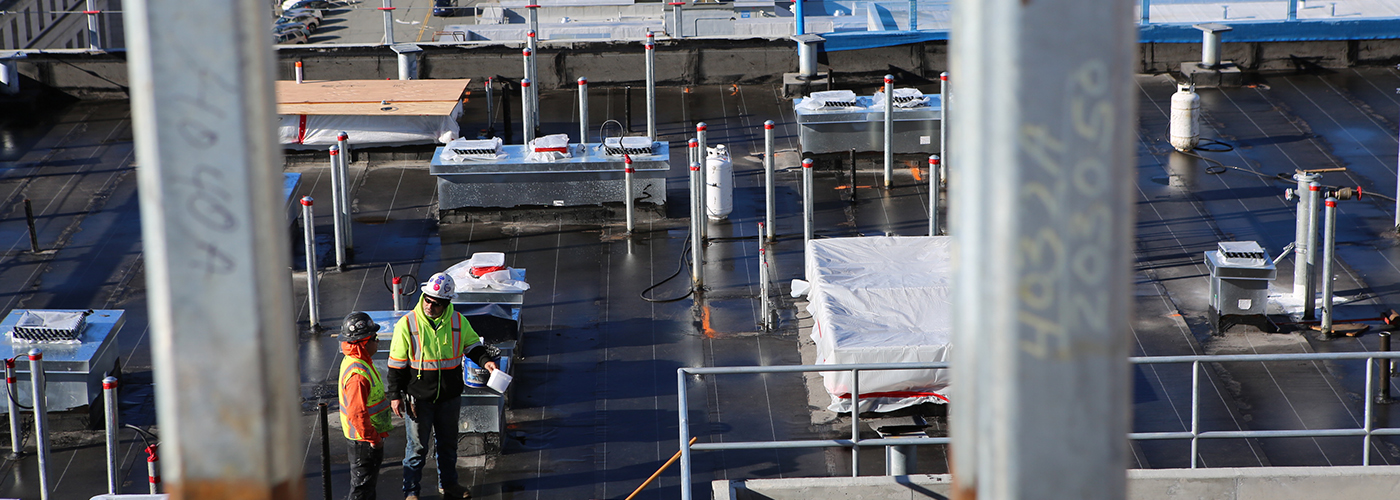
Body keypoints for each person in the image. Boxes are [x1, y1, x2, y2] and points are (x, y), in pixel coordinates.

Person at [387, 272, 500, 500]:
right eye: (427, 299)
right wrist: (395, 395)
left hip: (449, 397)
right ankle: (411, 492)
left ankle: (449, 485)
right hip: (418, 400)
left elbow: (472, 346)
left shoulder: (458, 322)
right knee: (416, 449)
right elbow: (396, 365)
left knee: (448, 446)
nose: (429, 305)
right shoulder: (407, 324)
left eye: (436, 303)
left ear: (447, 303)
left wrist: (486, 361)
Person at [338, 311, 393, 500]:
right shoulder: (358, 375)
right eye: (374, 338)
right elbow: (357, 414)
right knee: (362, 489)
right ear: (363, 342)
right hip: (364, 440)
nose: (377, 341)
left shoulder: (356, 360)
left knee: (366, 487)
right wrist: (374, 439)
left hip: (363, 437)